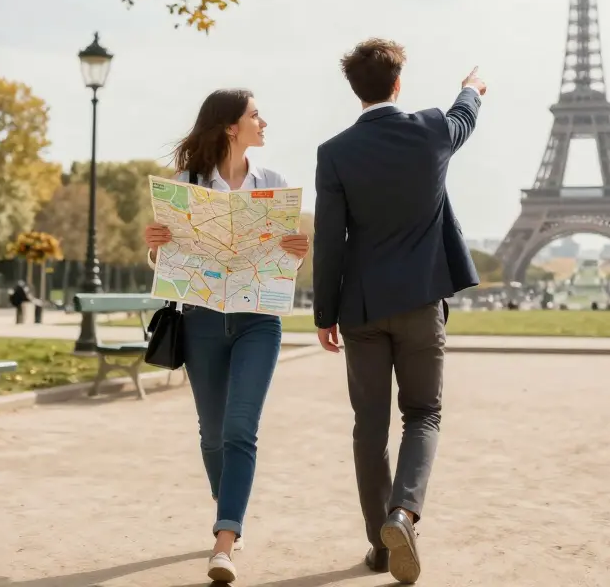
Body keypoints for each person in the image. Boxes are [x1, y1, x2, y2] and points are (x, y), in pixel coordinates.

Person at [312, 38, 485, 584]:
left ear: (355, 90)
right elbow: (463, 119)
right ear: (398, 83)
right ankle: (403, 515)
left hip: (361, 308)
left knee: (369, 426)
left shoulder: (334, 152)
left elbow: (329, 241)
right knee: (424, 414)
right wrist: (471, 89)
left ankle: (380, 545)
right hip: (420, 302)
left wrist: (324, 312)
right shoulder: (431, 130)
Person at [142, 88, 310, 584]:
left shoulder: (274, 185)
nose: (264, 122)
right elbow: (168, 263)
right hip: (201, 321)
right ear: (231, 126)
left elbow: (284, 265)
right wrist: (155, 248)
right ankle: (229, 504)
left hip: (259, 321)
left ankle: (225, 539)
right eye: (256, 115)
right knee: (212, 434)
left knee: (240, 429)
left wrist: (296, 252)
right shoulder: (186, 185)